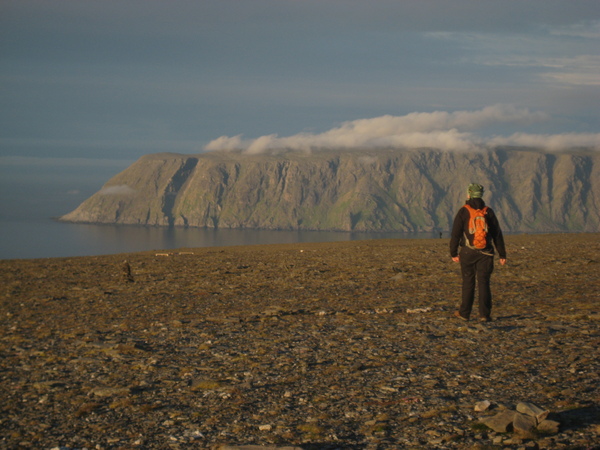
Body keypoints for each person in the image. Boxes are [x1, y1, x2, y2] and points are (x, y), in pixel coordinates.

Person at [449, 183, 506, 322]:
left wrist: (453, 253)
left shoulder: (463, 211)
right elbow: (497, 234)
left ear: (469, 194)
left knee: (468, 282)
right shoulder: (488, 211)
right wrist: (502, 254)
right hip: (486, 253)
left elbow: (456, 234)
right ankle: (484, 315)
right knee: (484, 282)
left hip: (468, 252)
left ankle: (464, 313)